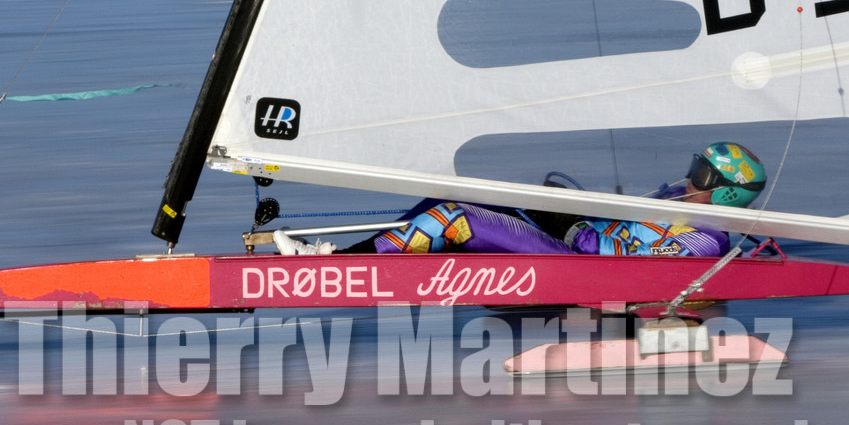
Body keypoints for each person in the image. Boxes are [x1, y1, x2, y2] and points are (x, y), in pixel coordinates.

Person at [272, 142, 765, 258]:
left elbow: (612, 254)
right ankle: (351, 256)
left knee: (456, 217)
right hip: (569, 241)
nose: (689, 176)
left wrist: (566, 223)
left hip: (575, 262)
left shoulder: (704, 238)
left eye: (701, 173)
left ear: (724, 190)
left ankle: (342, 267)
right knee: (453, 194)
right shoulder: (678, 203)